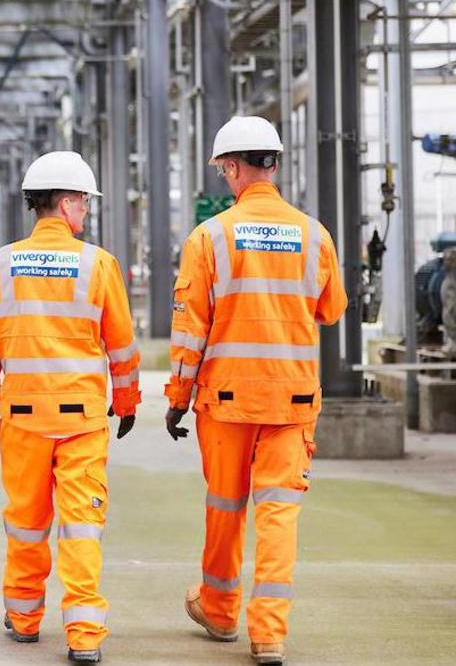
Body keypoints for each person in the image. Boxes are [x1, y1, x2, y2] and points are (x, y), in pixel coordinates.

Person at [165, 116, 346, 665]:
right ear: (275, 165)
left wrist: (177, 398)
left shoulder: (210, 237)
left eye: (224, 169)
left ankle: (220, 611)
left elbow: (190, 329)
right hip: (292, 400)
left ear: (233, 167)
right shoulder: (315, 235)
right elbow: (332, 309)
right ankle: (268, 634)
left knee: (226, 507)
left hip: (226, 401)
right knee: (278, 514)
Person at [0, 151, 140, 664]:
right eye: (83, 201)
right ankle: (84, 633)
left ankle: (24, 617)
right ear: (65, 203)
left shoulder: (1, 264)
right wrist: (127, 403)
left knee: (25, 521)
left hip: (22, 417)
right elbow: (121, 346)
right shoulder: (98, 264)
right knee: (82, 525)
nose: (86, 210)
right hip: (82, 419)